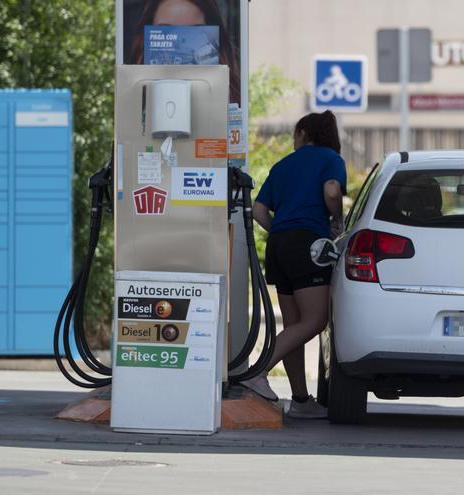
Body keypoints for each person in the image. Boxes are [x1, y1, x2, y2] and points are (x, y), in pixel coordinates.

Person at [243, 111, 346, 419]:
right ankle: (257, 373)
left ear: (303, 133)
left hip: (278, 244)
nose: (293, 140)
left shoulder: (283, 164)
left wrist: (282, 230)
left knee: (294, 327)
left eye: (294, 135)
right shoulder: (331, 158)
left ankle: (300, 401)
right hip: (308, 244)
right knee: (315, 321)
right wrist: (337, 219)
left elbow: (259, 211)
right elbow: (331, 191)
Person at [128, 0, 241, 105]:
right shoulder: (133, 99)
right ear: (145, 41)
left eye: (195, 32)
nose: (180, 44)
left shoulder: (230, 104)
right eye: (166, 33)